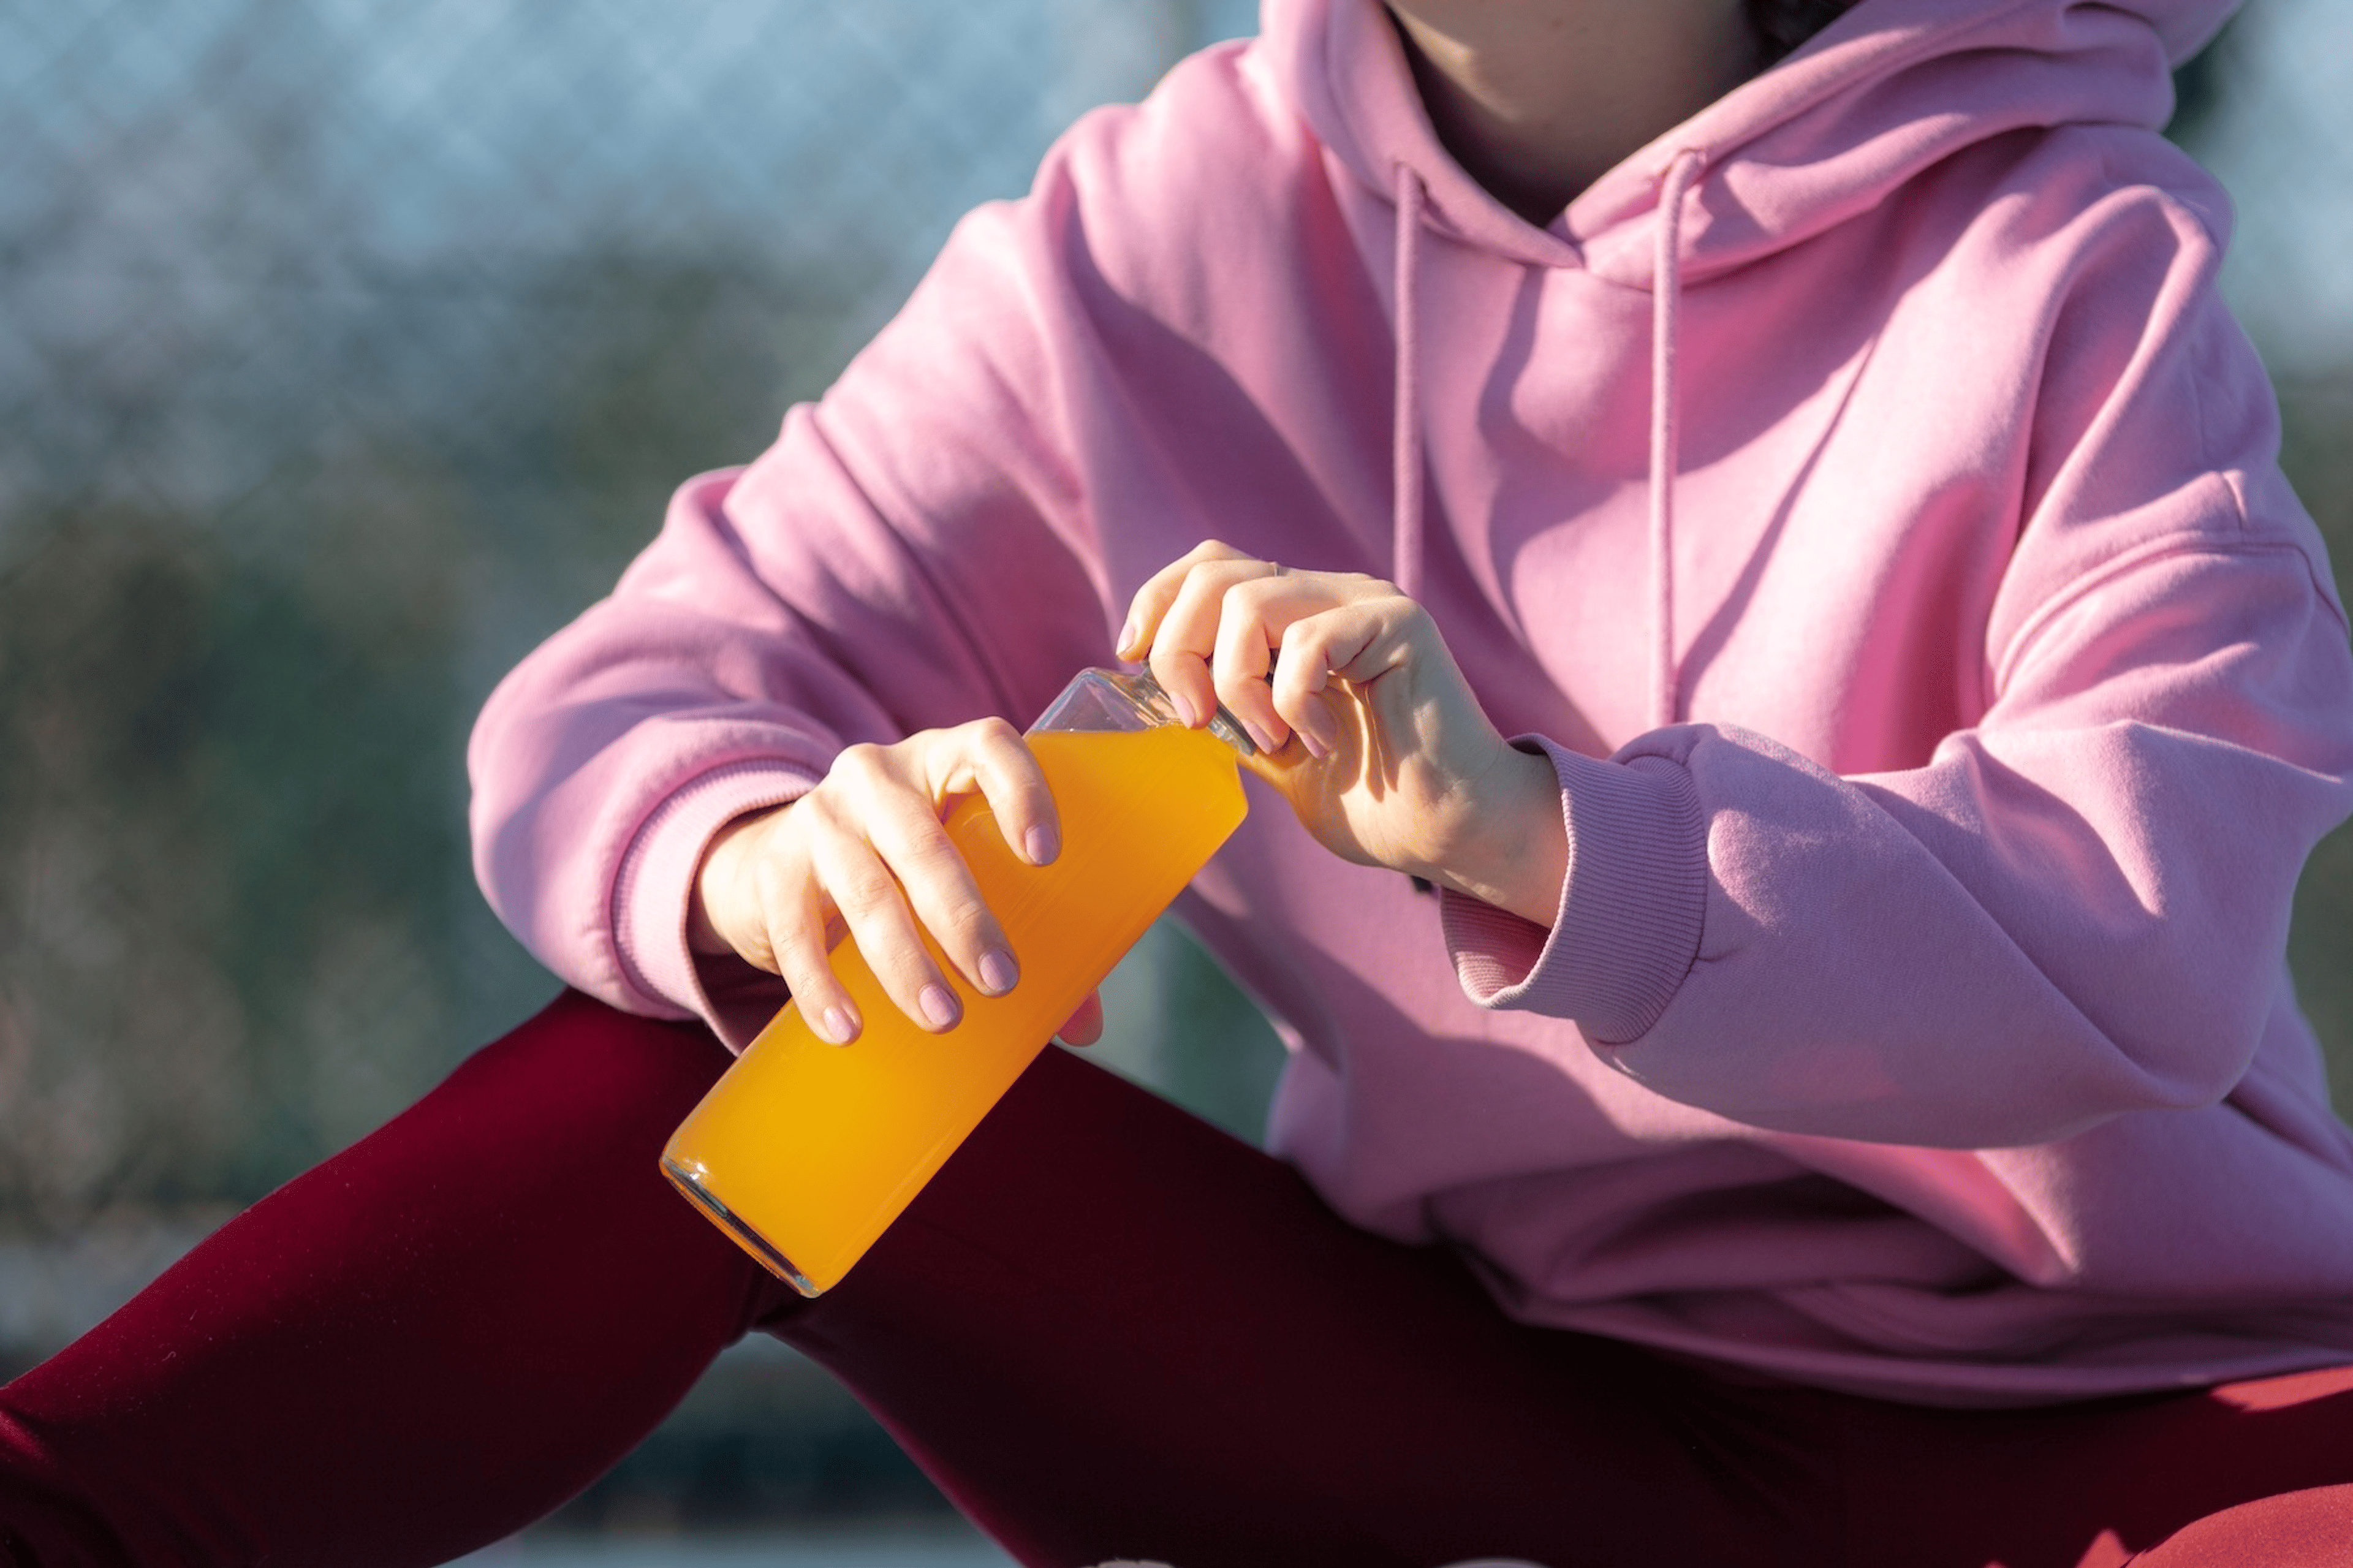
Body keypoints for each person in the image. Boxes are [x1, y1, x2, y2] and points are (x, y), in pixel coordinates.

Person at [4, 0, 2353, 1562]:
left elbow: (2141, 925)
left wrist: (1545, 833)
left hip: (2116, 1420)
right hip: (1489, 1398)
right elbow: (624, 705)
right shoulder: (1165, 228)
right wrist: (763, 848)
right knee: (733, 1032)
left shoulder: (2063, 266)